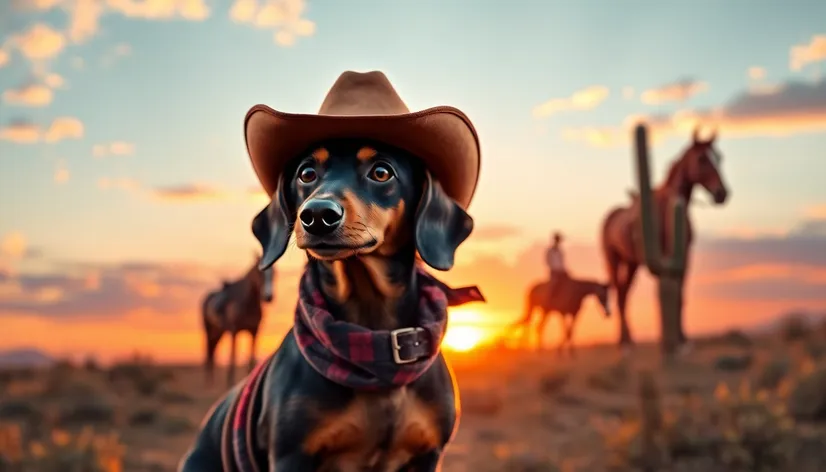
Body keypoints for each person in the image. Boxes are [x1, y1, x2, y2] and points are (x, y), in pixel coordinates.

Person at [546, 231, 569, 303]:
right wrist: (555, 269)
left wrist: (564, 270)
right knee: (554, 285)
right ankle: (550, 300)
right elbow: (548, 261)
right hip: (554, 272)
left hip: (561, 272)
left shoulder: (560, 251)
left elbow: (562, 263)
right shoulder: (550, 251)